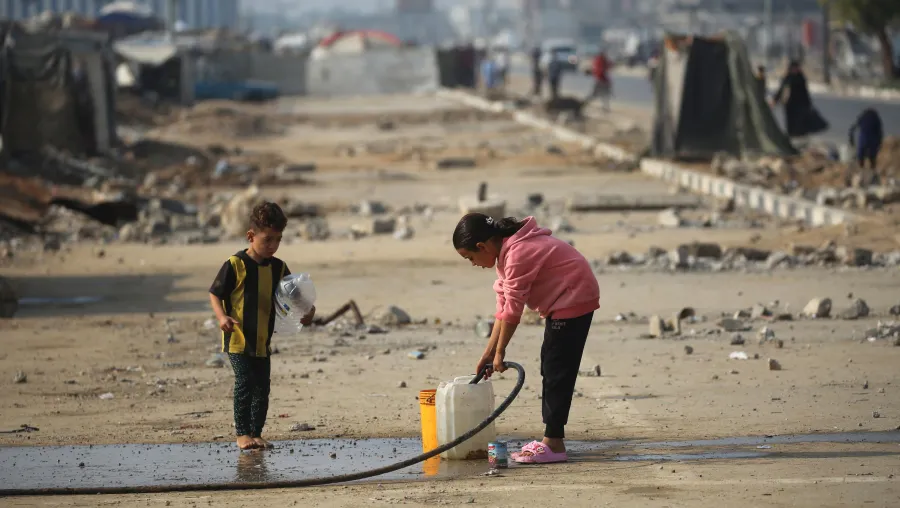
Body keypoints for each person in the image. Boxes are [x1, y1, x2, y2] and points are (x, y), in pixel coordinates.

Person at [453, 214, 600, 464]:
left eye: (470, 258)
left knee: (556, 370)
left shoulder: (518, 253)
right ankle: (552, 440)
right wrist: (489, 352)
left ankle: (553, 444)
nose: (473, 264)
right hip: (564, 300)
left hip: (573, 297)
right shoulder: (505, 254)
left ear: (482, 247)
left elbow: (513, 310)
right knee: (552, 365)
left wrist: (501, 353)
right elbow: (503, 306)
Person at [209, 202, 316, 450]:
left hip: (262, 341)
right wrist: (222, 317)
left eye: (278, 240)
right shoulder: (235, 264)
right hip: (237, 338)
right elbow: (215, 293)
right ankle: (242, 434)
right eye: (267, 240)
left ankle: (256, 433)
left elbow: (295, 294)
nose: (273, 246)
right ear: (251, 236)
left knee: (262, 387)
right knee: (245, 381)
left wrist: (308, 310)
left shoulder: (278, 267)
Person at [771, 60, 828, 138]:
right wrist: (775, 100)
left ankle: (800, 136)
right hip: (789, 105)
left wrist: (808, 103)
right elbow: (781, 90)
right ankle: (792, 136)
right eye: (793, 68)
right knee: (791, 123)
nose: (795, 70)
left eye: (796, 68)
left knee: (800, 123)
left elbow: (805, 92)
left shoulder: (801, 78)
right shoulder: (787, 78)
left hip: (800, 104)